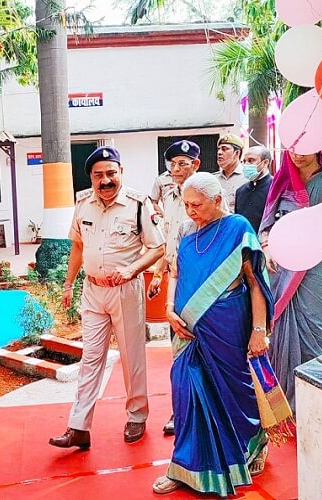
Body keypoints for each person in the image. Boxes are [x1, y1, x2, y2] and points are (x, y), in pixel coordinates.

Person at [151, 173, 275, 496]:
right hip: (186, 331)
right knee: (185, 393)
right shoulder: (186, 231)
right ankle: (183, 466)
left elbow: (255, 284)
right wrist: (168, 307)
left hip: (228, 327)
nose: (190, 210)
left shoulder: (237, 229)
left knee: (234, 392)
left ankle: (252, 446)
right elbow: (175, 272)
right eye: (186, 204)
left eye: (196, 204)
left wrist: (259, 330)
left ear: (217, 200)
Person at [49, 146, 165, 449]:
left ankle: (137, 416)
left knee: (132, 358)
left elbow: (157, 248)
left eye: (111, 173)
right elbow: (77, 246)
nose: (105, 180)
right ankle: (79, 427)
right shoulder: (83, 202)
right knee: (90, 358)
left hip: (125, 291)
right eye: (98, 175)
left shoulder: (139, 203)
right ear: (90, 177)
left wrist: (132, 269)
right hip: (93, 290)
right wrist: (68, 284)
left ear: (121, 172)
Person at [260, 148, 322, 411]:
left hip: (318, 262)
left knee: (315, 328)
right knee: (279, 329)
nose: (298, 154)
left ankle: (315, 403)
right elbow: (267, 225)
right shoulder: (280, 182)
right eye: (291, 148)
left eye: (305, 148)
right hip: (281, 265)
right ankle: (285, 404)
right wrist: (268, 246)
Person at [146, 139, 201, 436]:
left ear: (196, 165)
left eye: (183, 163)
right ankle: (180, 410)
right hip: (177, 284)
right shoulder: (169, 197)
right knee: (179, 349)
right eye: (172, 164)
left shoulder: (208, 196)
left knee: (204, 348)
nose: (177, 169)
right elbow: (170, 244)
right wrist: (157, 275)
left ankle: (204, 411)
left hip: (203, 285)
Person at [235, 146, 274, 233]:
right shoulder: (240, 191)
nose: (246, 165)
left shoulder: (276, 187)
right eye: (244, 161)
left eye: (251, 160)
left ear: (265, 163)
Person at [214, 133, 247, 213]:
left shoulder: (248, 178)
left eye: (224, 149)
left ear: (236, 153)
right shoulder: (214, 179)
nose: (219, 152)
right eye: (219, 149)